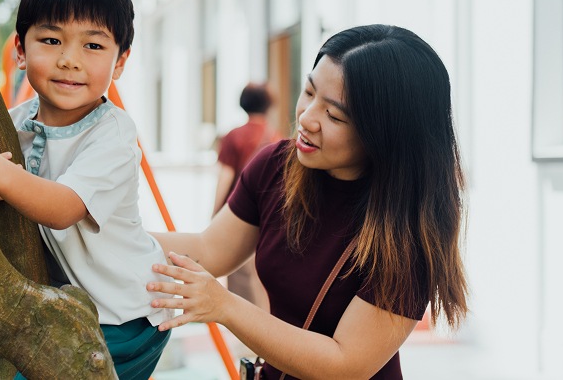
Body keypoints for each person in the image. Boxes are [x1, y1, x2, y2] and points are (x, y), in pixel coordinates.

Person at [147, 25, 469, 380]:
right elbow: (207, 249)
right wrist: (96, 230)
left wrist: (225, 307)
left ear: (385, 136)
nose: (306, 117)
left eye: (334, 115)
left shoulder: (407, 234)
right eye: (309, 91)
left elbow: (344, 365)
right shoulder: (275, 167)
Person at [0, 0, 173, 380]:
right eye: (52, 40)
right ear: (20, 50)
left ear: (120, 62)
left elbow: (63, 208)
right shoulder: (14, 125)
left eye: (93, 46)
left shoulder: (114, 134)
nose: (69, 60)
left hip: (127, 315)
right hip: (71, 306)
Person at [213, 83, 281, 311]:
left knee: (239, 272)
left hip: (238, 214)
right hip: (270, 215)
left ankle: (247, 332)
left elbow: (224, 176)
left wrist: (215, 213)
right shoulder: (276, 136)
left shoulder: (234, 136)